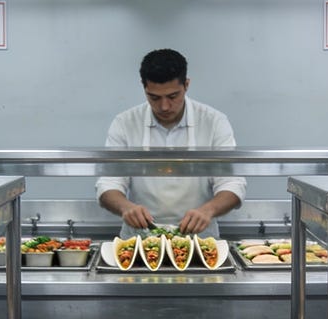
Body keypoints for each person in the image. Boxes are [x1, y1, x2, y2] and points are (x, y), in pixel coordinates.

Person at [96, 49, 245, 238]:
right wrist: (125, 207)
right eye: (154, 98)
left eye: (173, 96)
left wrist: (208, 210)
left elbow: (232, 183)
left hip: (200, 241)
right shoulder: (125, 123)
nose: (164, 106)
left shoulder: (214, 122)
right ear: (144, 88)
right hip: (139, 240)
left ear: (186, 85)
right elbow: (108, 183)